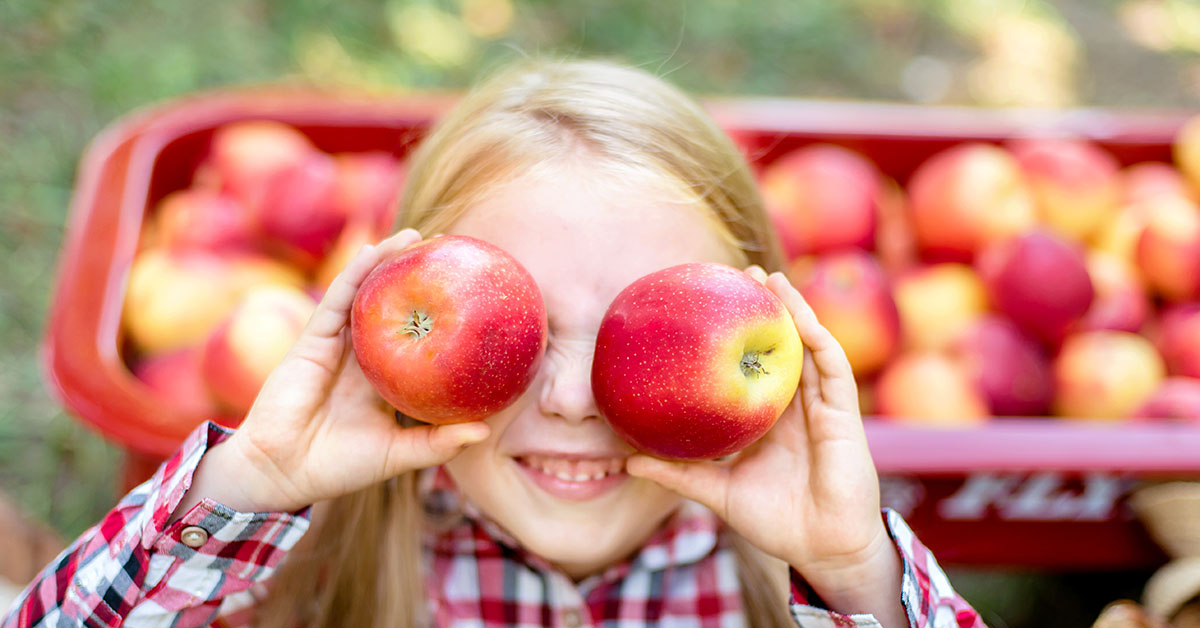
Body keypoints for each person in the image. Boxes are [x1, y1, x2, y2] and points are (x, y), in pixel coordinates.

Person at [3, 59, 983, 628]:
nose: (569, 397)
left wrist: (860, 578)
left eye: (632, 339)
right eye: (520, 335)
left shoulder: (787, 581)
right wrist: (250, 485)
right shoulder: (304, 561)